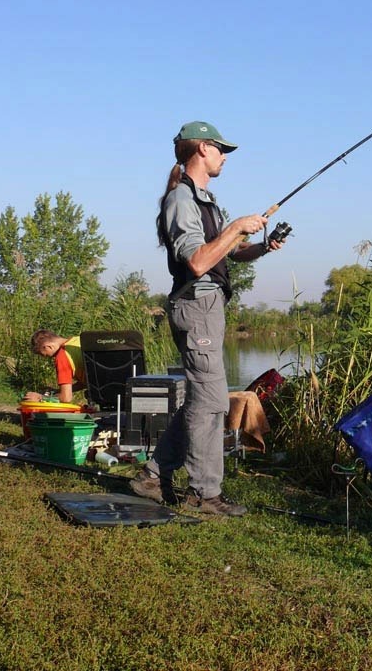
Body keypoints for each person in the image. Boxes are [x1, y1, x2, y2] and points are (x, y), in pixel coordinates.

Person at [131, 121, 284, 516]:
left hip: (209, 308)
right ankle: (203, 493)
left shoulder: (206, 200)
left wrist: (261, 247)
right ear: (201, 148)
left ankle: (152, 475)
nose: (225, 157)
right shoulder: (181, 199)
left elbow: (227, 254)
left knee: (203, 399)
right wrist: (234, 227)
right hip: (195, 306)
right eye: (221, 149)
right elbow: (198, 262)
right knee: (213, 402)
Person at [24, 329, 85, 403]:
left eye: (44, 354)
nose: (47, 357)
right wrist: (57, 391)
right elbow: (89, 381)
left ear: (48, 347)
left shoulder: (62, 356)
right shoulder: (79, 340)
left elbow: (66, 398)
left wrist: (40, 398)